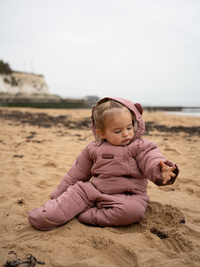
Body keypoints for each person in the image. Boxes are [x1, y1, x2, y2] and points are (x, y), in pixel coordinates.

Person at [28, 97, 179, 230]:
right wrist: (58, 194)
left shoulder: (140, 146)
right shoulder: (93, 149)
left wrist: (160, 170)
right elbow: (77, 172)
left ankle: (84, 214)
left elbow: (150, 159)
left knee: (134, 212)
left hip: (127, 196)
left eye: (129, 127)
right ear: (101, 133)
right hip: (93, 191)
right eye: (117, 131)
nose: (126, 133)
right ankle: (45, 216)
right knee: (63, 204)